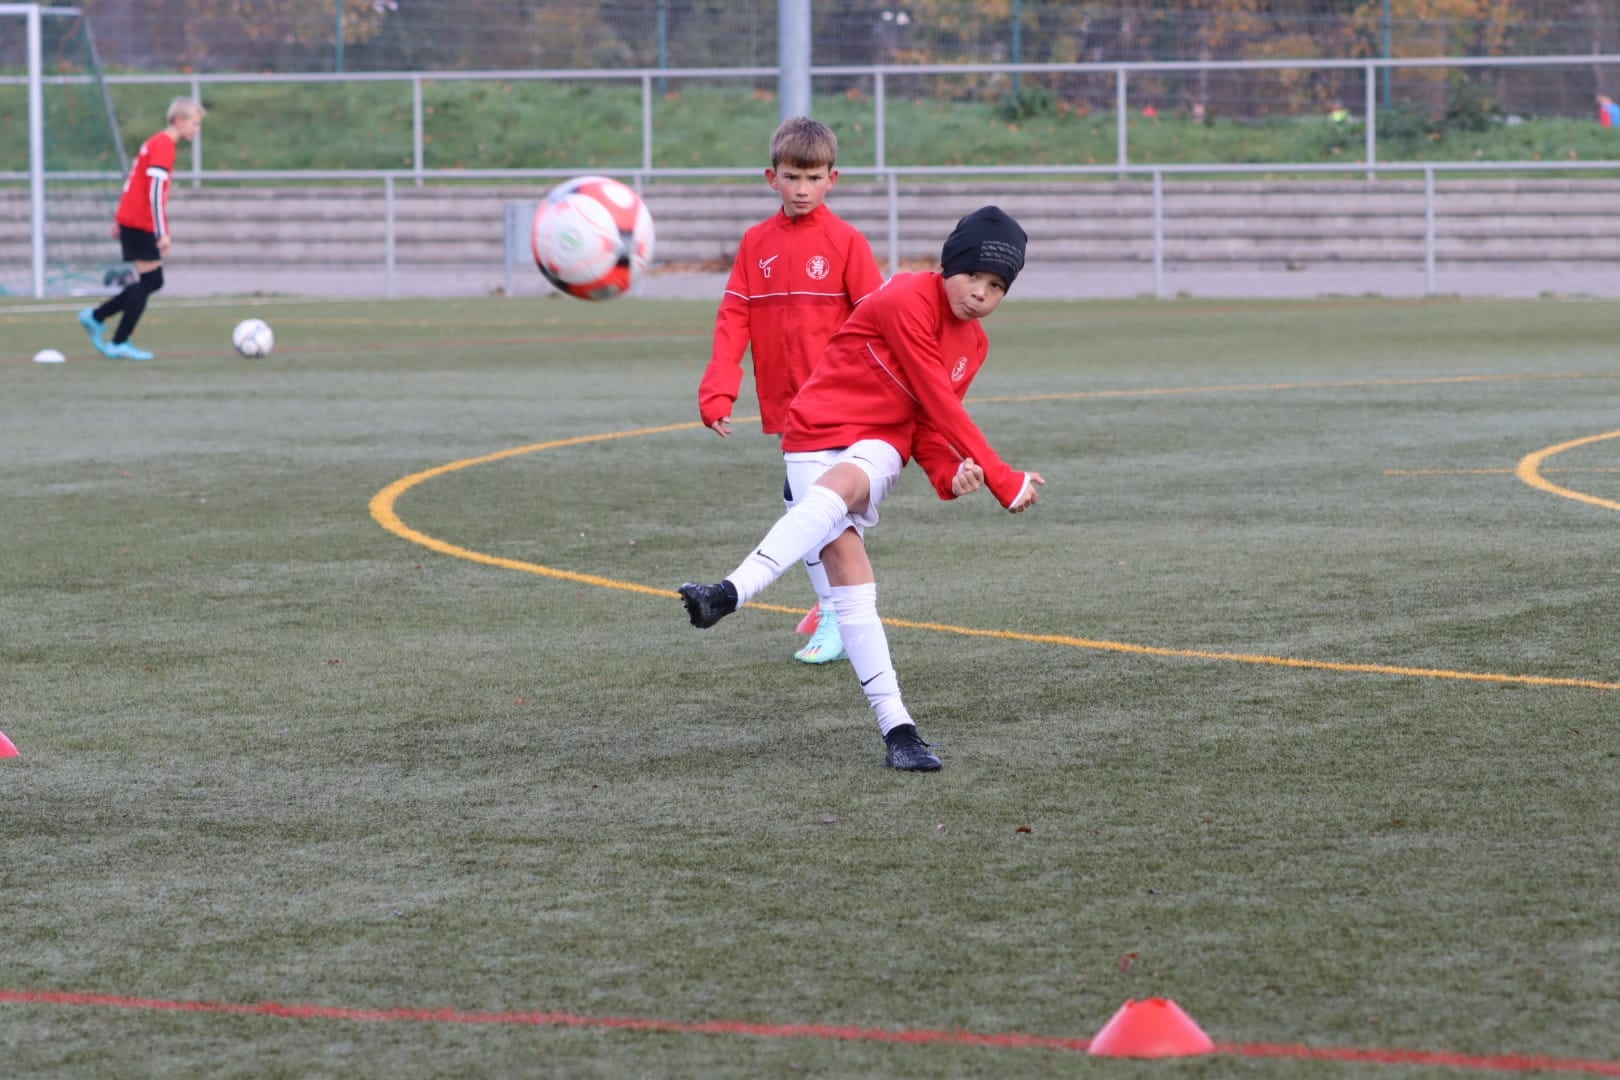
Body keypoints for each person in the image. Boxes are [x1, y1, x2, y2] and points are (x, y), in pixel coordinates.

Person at [678, 206, 1044, 772]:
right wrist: (1002, 478)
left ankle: (728, 593)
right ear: (949, 265)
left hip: (880, 442)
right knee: (851, 578)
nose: (980, 292)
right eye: (973, 275)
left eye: (997, 286)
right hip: (813, 434)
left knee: (842, 488)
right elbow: (935, 394)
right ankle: (899, 732)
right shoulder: (905, 297)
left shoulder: (975, 346)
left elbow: (930, 422)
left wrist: (950, 474)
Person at [696, 116, 886, 666]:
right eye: (792, 177)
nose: (802, 188)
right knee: (802, 501)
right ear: (771, 177)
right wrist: (719, 390)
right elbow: (734, 318)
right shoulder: (756, 243)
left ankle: (835, 611)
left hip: (841, 403)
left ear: (832, 179)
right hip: (787, 403)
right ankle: (831, 601)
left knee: (815, 506)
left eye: (814, 177)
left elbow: (879, 321)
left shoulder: (846, 242)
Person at [78, 96, 205, 361]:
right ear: (179, 121)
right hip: (140, 222)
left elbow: (133, 182)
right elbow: (154, 193)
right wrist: (162, 231)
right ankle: (113, 336)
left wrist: (120, 218)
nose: (197, 129)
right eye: (195, 123)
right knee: (151, 281)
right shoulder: (164, 146)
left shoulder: (156, 143)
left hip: (132, 219)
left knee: (152, 281)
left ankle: (98, 319)